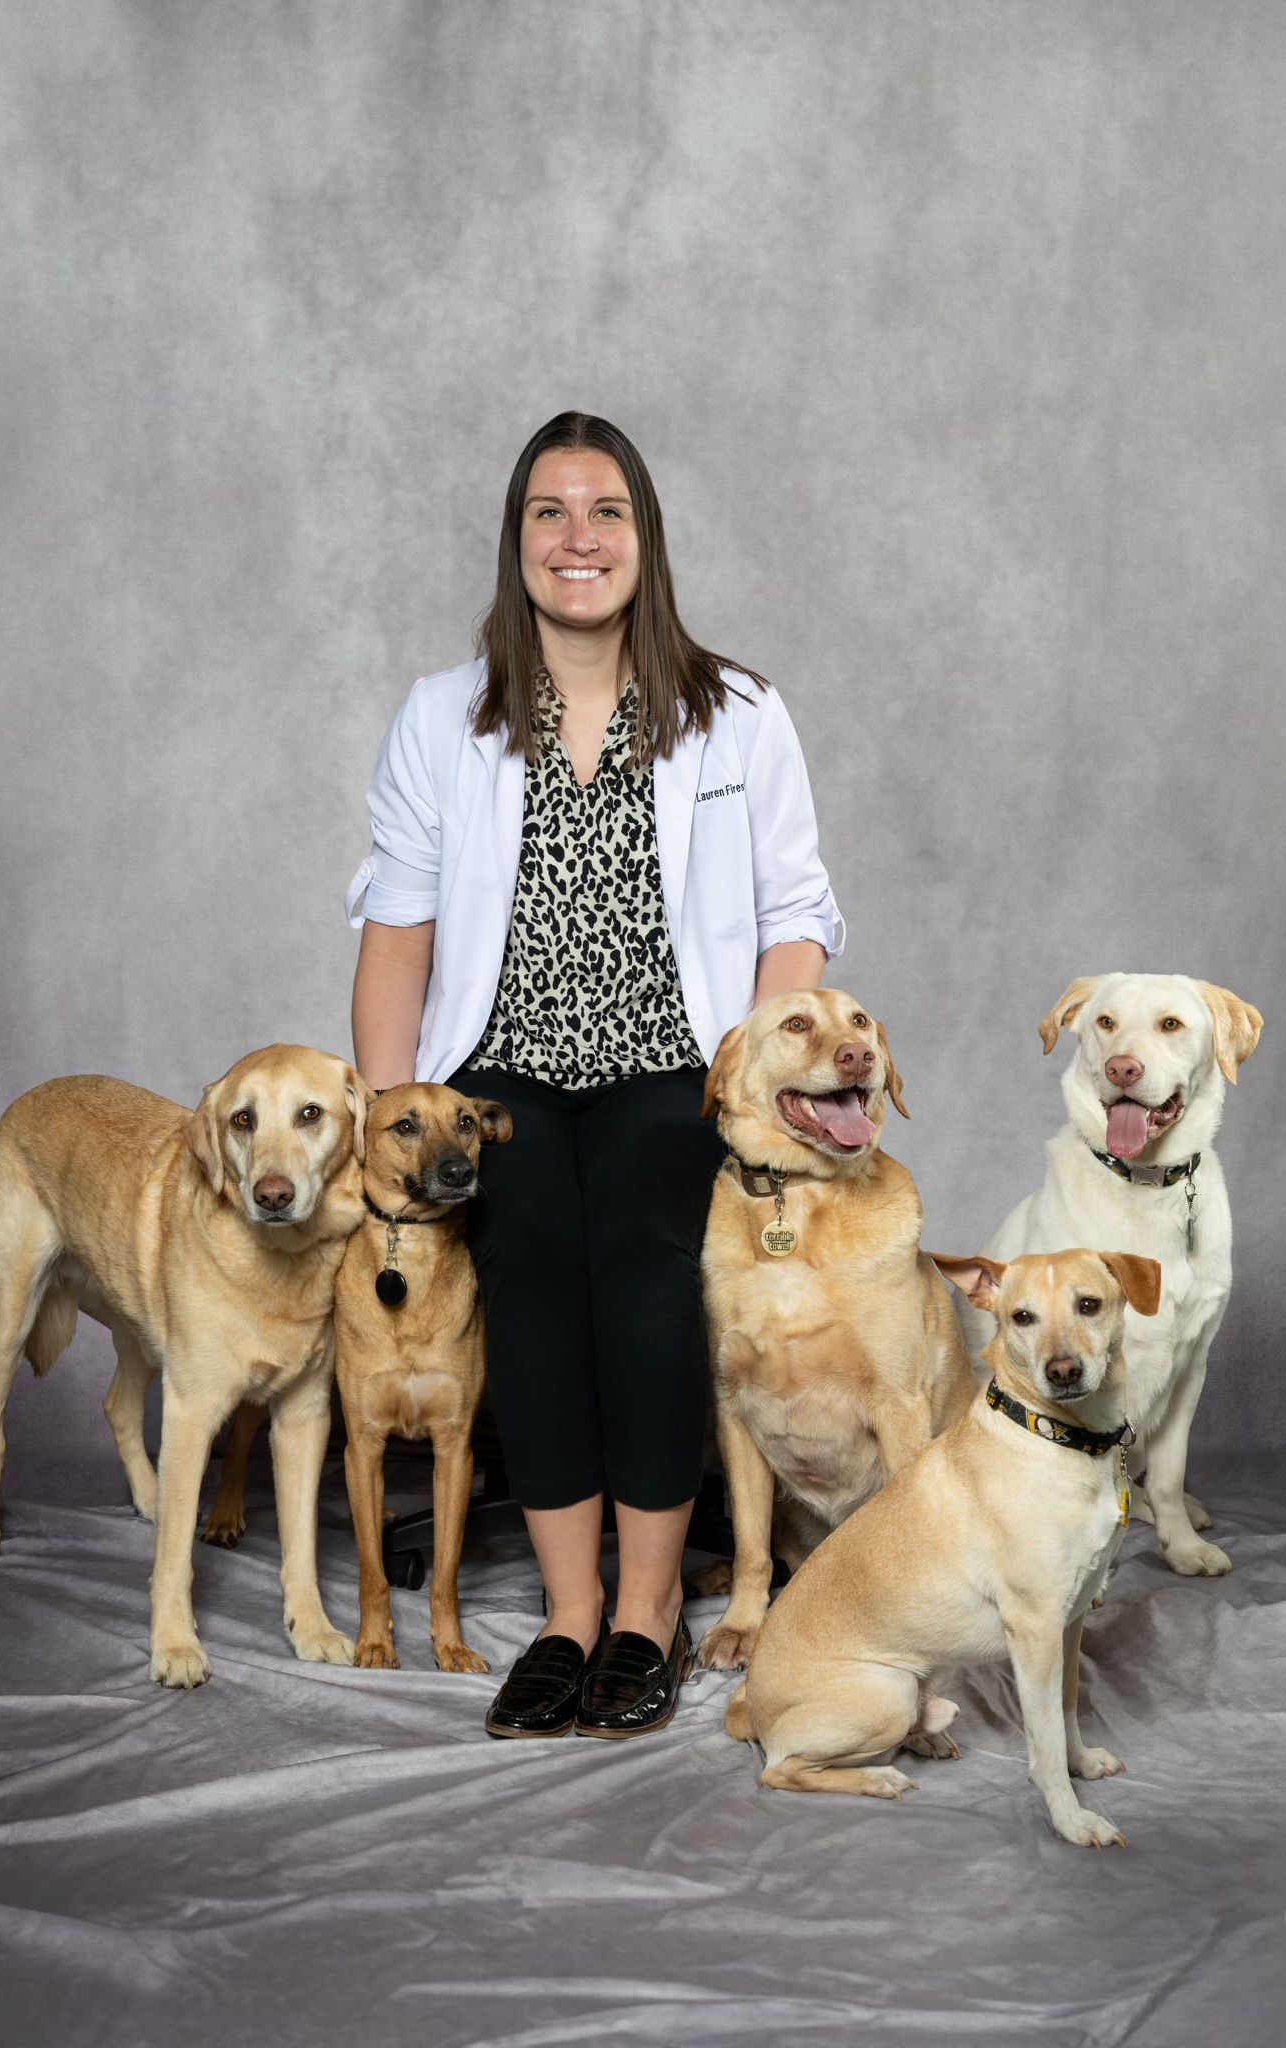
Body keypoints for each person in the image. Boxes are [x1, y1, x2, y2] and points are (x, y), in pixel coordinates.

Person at [346, 411, 843, 1740]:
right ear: (517, 547)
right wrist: (390, 1133)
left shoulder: (736, 714)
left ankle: (645, 1614)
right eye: (549, 514)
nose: (579, 538)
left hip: (669, 1067)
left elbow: (795, 916)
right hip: (497, 1072)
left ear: (644, 537)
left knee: (635, 1248)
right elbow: (398, 936)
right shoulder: (442, 718)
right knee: (528, 1252)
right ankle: (567, 1621)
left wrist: (755, 1089)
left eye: (605, 511)